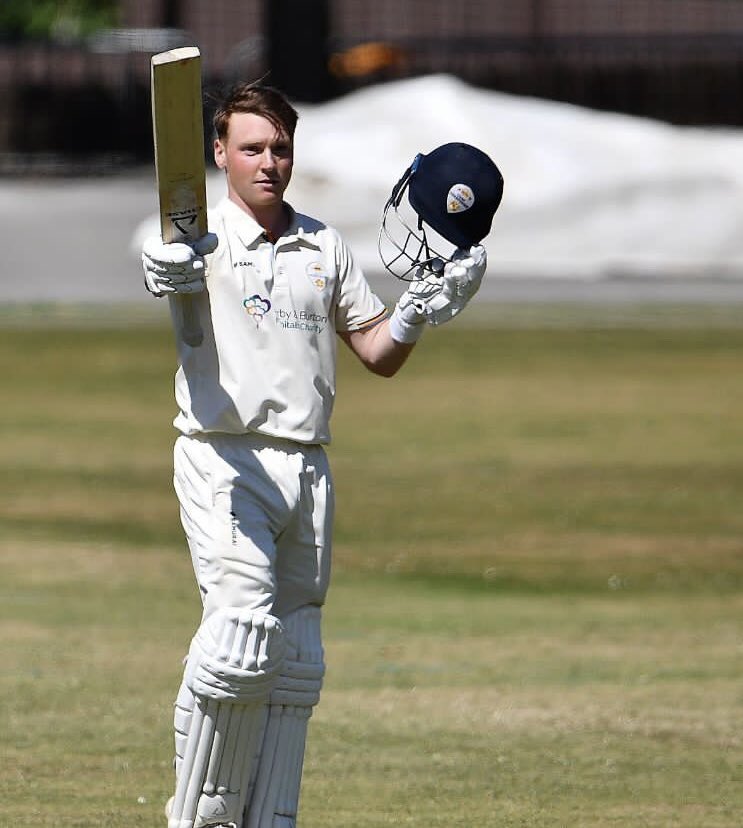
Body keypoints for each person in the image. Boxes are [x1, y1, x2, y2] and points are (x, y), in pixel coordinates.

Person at [141, 81, 503, 828]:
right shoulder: (190, 237)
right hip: (224, 459)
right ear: (219, 152)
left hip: (308, 467)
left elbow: (377, 354)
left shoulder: (322, 243)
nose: (269, 163)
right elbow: (161, 264)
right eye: (251, 149)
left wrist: (415, 311)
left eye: (280, 149)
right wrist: (167, 264)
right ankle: (200, 819)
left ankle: (268, 818)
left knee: (295, 659)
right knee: (240, 639)